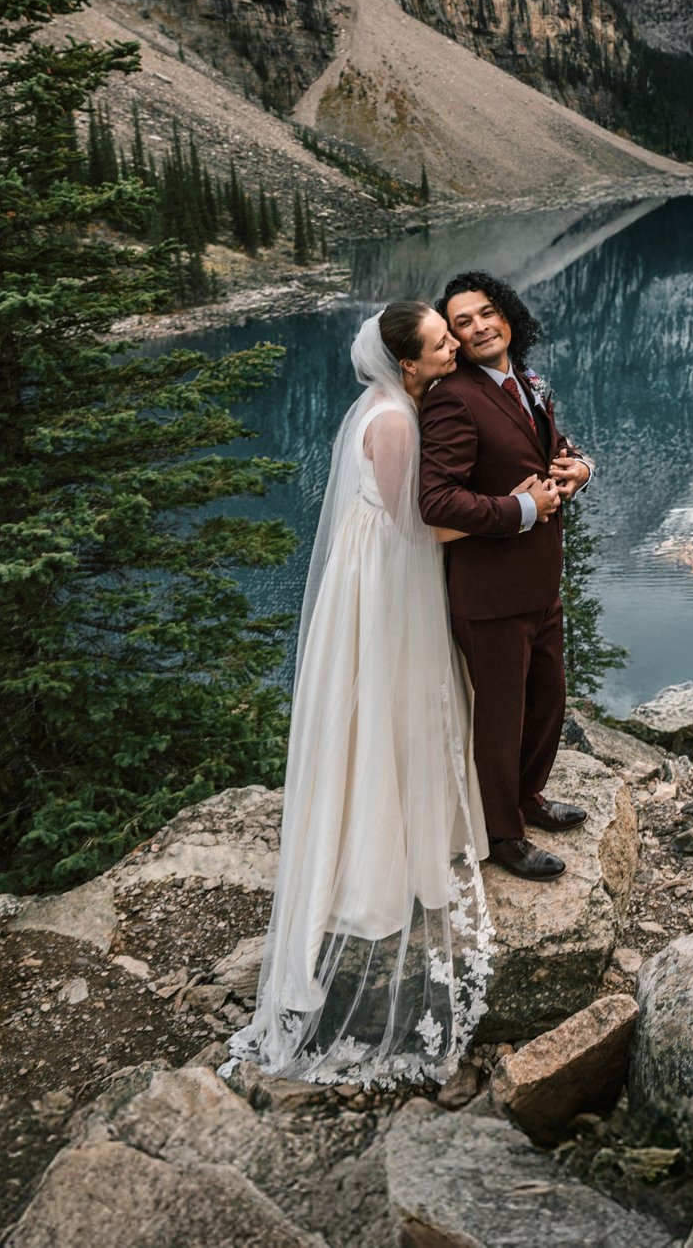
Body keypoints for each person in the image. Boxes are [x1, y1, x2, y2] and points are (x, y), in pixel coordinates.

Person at [229, 300, 530, 1086]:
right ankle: (375, 862)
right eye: (439, 345)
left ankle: (396, 834)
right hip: (386, 575)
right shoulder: (395, 421)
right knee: (390, 700)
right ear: (408, 363)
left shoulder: (396, 403)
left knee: (388, 709)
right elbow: (420, 524)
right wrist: (522, 511)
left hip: (377, 568)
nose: (454, 349)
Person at [418, 271, 595, 881]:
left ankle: (527, 796)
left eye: (487, 312)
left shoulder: (525, 382)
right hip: (490, 591)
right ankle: (502, 834)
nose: (479, 327)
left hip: (539, 582)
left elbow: (550, 448)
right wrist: (521, 509)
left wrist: (580, 470)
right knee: (501, 715)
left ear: (508, 316)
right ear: (454, 339)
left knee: (547, 700)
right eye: (462, 323)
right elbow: (435, 502)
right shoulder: (452, 399)